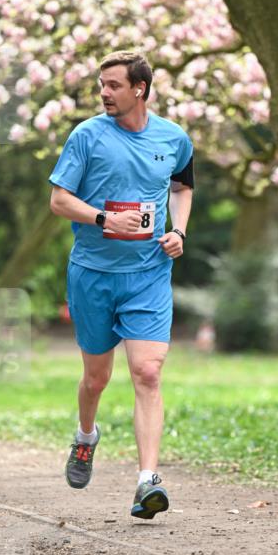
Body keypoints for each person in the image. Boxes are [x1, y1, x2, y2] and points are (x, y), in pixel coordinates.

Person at [49, 50, 194, 519]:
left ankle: (147, 481)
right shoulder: (86, 136)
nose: (105, 93)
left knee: (148, 373)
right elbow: (58, 200)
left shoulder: (174, 138)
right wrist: (103, 217)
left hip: (149, 274)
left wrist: (178, 231)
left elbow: (182, 186)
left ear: (140, 89)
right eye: (101, 85)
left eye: (113, 85)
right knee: (96, 378)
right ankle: (86, 437)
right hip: (93, 274)